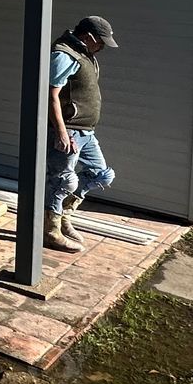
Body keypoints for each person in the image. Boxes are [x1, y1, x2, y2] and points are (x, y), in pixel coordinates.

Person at [45, 14, 120, 254]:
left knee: (101, 174)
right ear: (88, 37)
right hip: (69, 130)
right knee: (62, 181)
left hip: (86, 131)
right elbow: (51, 95)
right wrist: (61, 132)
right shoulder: (64, 54)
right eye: (101, 42)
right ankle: (51, 231)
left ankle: (65, 216)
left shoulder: (85, 54)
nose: (102, 48)